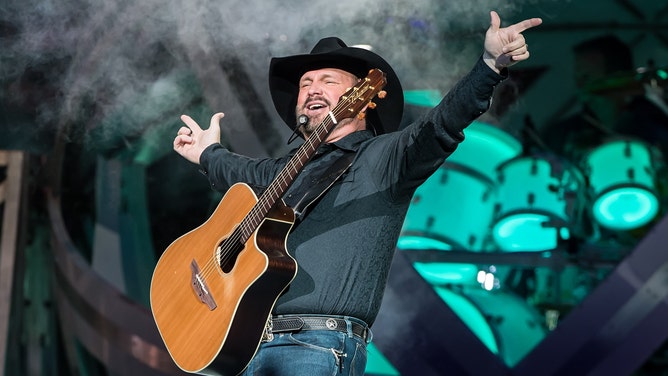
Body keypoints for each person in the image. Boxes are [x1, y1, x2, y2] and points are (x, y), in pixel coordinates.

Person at [173, 10, 541, 376]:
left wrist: (489, 66)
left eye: (327, 80)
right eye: (305, 83)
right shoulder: (277, 173)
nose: (312, 89)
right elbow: (235, 171)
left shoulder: (384, 159)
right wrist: (207, 153)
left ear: (362, 99)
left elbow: (443, 122)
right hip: (247, 347)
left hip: (317, 346)